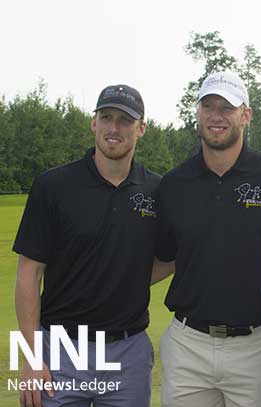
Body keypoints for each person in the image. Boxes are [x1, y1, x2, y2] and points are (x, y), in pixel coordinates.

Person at [153, 72, 261, 407]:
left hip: (257, 345)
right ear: (198, 112)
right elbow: (165, 256)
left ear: (245, 115)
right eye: (209, 106)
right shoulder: (174, 184)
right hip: (188, 345)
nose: (217, 116)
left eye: (227, 107)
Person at [13, 84, 161, 407]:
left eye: (124, 120)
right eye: (106, 117)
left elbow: (173, 256)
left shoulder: (156, 191)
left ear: (142, 128)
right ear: (93, 123)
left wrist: (129, 276)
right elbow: (28, 273)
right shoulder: (53, 186)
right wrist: (30, 357)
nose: (113, 128)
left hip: (128, 352)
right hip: (61, 351)